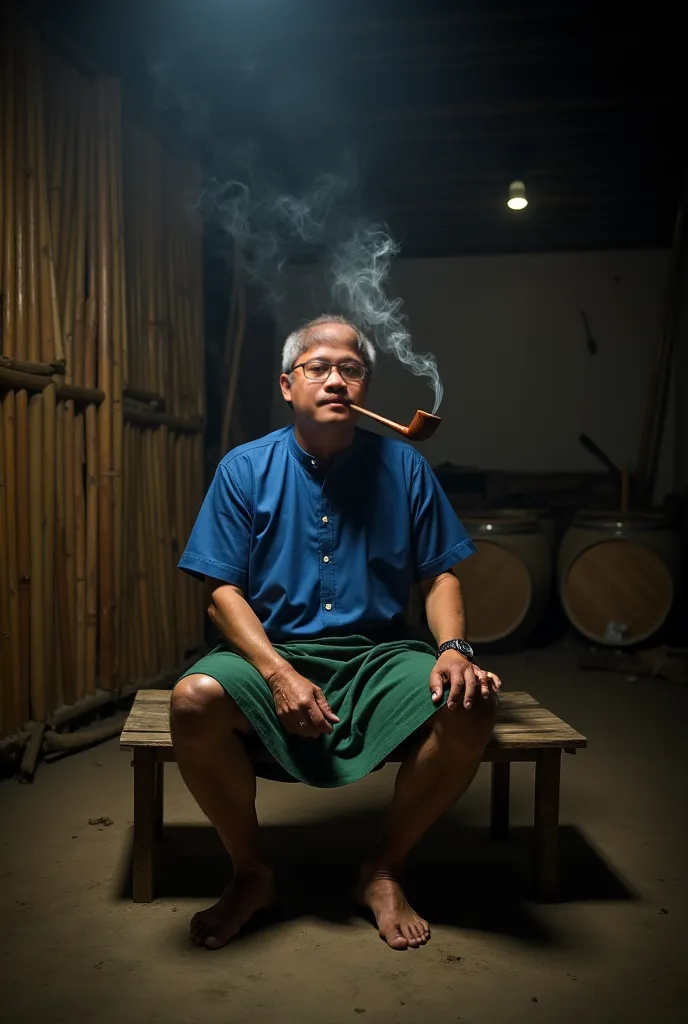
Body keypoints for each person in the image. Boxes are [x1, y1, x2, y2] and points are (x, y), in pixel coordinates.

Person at [172, 314, 502, 952]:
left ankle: (382, 869)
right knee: (193, 700)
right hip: (274, 649)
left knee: (472, 704)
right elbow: (220, 593)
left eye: (350, 369)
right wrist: (276, 672)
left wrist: (454, 650)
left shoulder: (404, 468)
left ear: (365, 389)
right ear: (287, 385)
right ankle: (251, 874)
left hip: (380, 652)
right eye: (317, 368)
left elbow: (441, 577)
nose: (334, 379)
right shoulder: (245, 469)